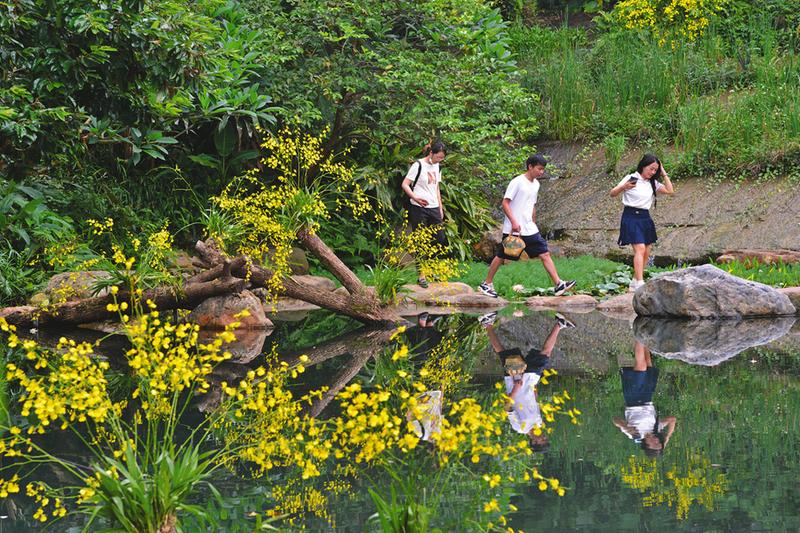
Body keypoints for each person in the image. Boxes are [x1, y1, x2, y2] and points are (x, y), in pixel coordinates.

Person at [478, 154, 576, 298]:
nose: (541, 172)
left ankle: (558, 284)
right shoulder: (517, 182)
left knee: (544, 253)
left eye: (543, 170)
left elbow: (532, 205)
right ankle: (486, 284)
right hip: (514, 229)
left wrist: (533, 223)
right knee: (501, 256)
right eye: (539, 169)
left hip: (529, 229)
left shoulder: (536, 184)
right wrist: (514, 222)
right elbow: (505, 203)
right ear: (530, 167)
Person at [481, 311, 575, 451]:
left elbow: (507, 408)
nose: (544, 437)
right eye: (545, 439)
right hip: (530, 380)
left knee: (502, 352)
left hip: (515, 380)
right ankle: (559, 324)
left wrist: (515, 389)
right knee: (545, 354)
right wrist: (534, 390)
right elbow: (534, 402)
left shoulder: (520, 428)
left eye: (542, 440)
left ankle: (486, 324)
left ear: (534, 442)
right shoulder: (538, 423)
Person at [610, 153, 675, 292]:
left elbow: (670, 191)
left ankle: (634, 281)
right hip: (631, 216)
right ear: (643, 165)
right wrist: (623, 187)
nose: (652, 172)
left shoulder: (652, 183)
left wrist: (663, 173)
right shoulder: (632, 178)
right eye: (651, 168)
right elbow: (612, 193)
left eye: (655, 170)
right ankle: (640, 283)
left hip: (645, 217)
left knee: (646, 251)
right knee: (639, 249)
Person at [613, 341, 676, 457]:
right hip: (647, 397)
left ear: (647, 446)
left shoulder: (636, 435)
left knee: (641, 366)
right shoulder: (656, 429)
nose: (657, 441)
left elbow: (615, 420)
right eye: (659, 443)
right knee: (648, 363)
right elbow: (672, 419)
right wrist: (667, 438)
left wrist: (625, 427)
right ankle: (645, 335)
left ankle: (638, 335)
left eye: (655, 444)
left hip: (633, 397)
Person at [402, 141, 448, 288]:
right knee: (421, 240)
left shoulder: (438, 166)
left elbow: (436, 187)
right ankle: (421, 275)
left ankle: (429, 268)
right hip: (419, 207)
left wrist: (440, 207)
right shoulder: (418, 165)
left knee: (439, 238)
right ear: (431, 153)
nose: (439, 160)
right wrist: (414, 197)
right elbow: (405, 184)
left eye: (442, 158)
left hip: (434, 207)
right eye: (438, 157)